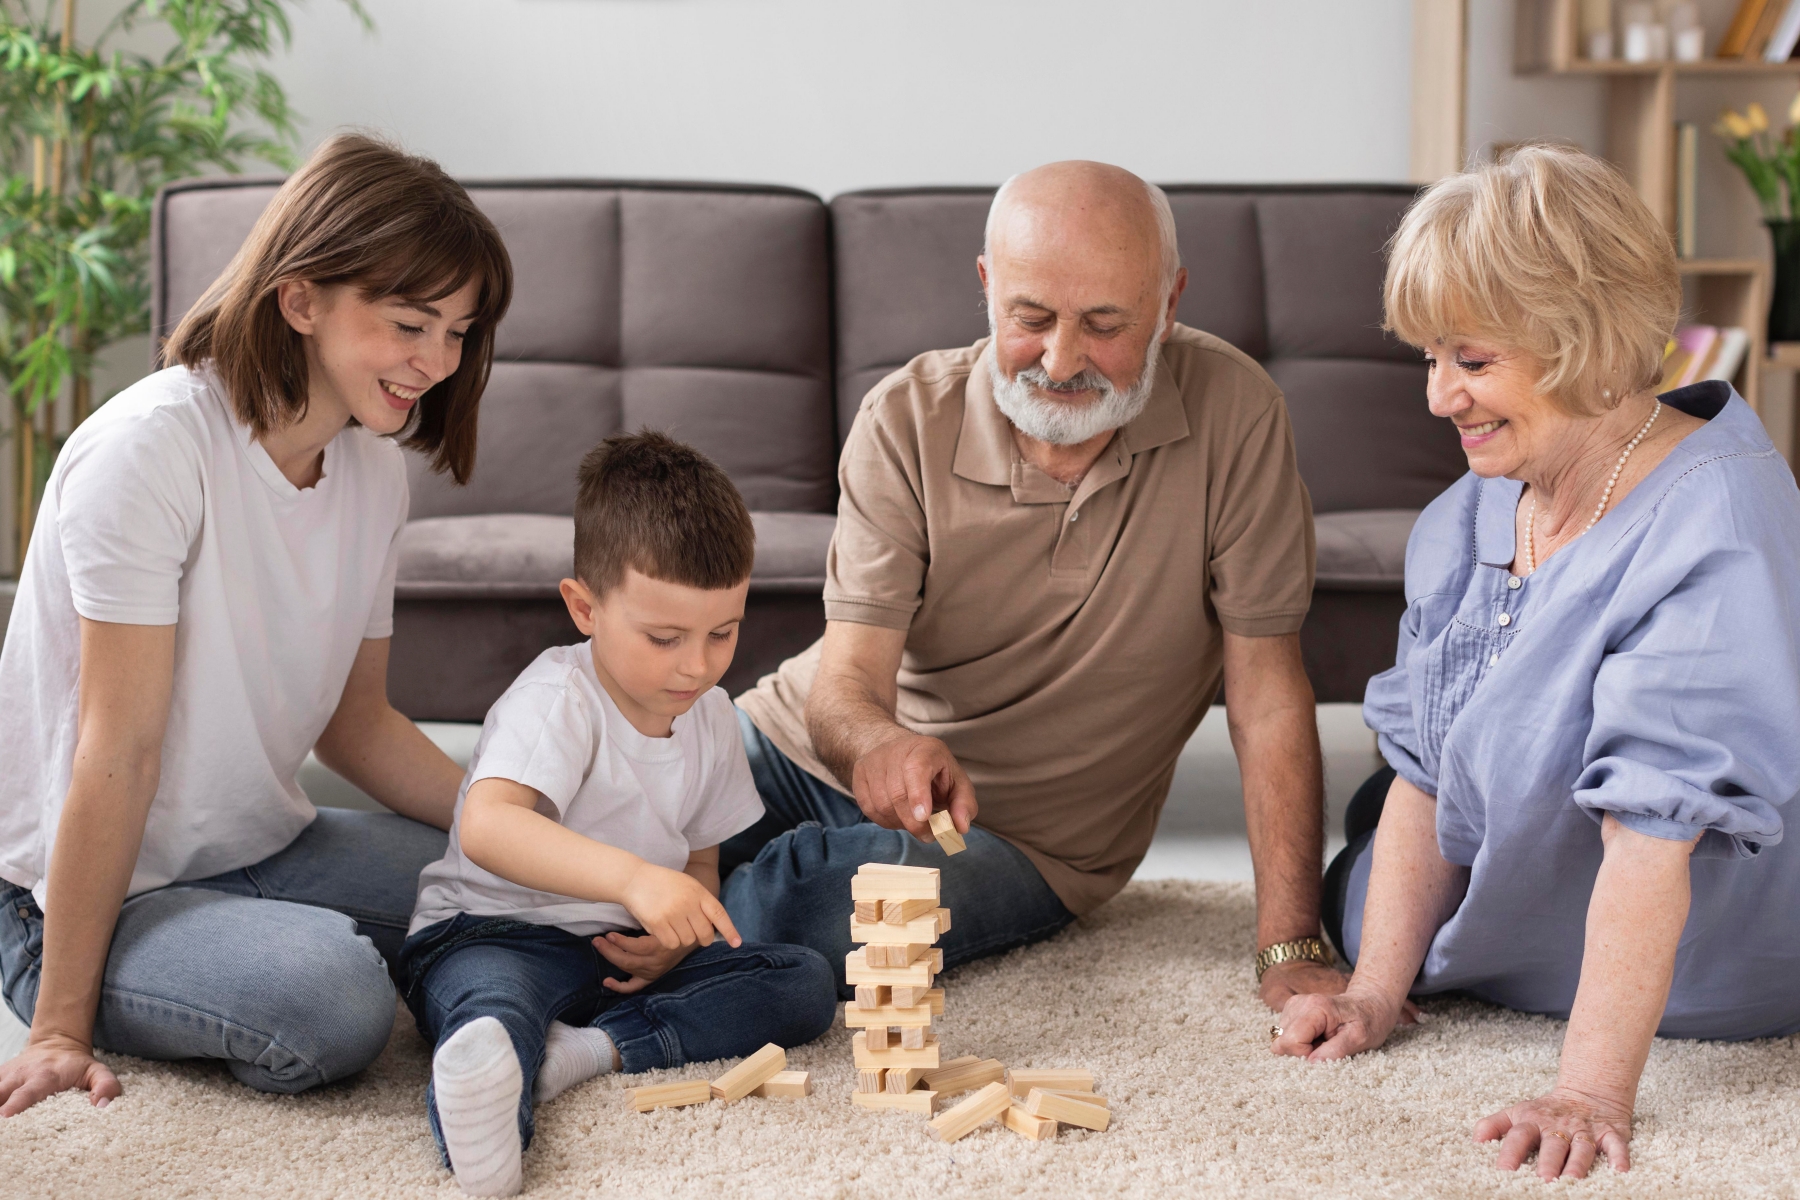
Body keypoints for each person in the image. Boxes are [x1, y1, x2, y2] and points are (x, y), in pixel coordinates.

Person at [1273, 144, 1800, 1182]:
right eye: (1429, 358)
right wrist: (1378, 991)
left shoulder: (1717, 524)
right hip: (1524, 897)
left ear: (1587, 344)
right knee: (1384, 800)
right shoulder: (1477, 504)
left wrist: (1589, 1092)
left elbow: (1655, 840)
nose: (1438, 398)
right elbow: (1428, 762)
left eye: (1471, 362)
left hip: (1701, 958)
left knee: (1371, 830)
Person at [729, 160, 1341, 1009]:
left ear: (1169, 305)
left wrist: (1290, 947)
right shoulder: (906, 417)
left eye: (1103, 324)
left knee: (793, 906)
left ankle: (662, 919)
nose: (1061, 359)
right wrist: (879, 746)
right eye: (1031, 318)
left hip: (1022, 845)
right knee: (606, 814)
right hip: (799, 751)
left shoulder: (1240, 416)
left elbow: (1267, 698)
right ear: (986, 287)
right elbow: (847, 685)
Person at [0, 134, 513, 1116]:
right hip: (74, 896)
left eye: (457, 331)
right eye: (410, 323)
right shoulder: (152, 450)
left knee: (524, 888)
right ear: (302, 298)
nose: (438, 361)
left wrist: (538, 835)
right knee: (334, 1000)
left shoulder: (371, 469)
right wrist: (60, 1028)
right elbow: (119, 753)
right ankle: (172, 968)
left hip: (258, 847)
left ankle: (250, 947)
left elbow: (358, 725)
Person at [399, 432, 835, 1197]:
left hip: (619, 959)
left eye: (722, 633)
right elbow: (490, 824)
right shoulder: (558, 699)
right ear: (585, 607)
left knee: (800, 981)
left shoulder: (708, 716)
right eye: (664, 638)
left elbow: (700, 855)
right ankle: (492, 1081)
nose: (696, 665)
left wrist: (672, 939)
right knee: (493, 1009)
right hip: (495, 933)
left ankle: (586, 1052)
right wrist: (635, 880)